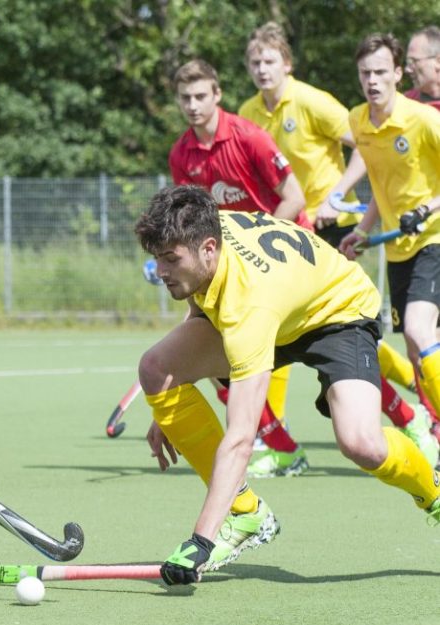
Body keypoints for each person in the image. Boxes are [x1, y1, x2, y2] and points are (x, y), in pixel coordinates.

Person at [136, 185, 440, 586]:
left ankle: (434, 494)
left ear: (208, 249)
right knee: (157, 369)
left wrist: (201, 541)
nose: (161, 271)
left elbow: (241, 439)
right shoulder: (205, 234)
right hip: (282, 307)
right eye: (157, 258)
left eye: (171, 260)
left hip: (337, 314)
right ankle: (245, 513)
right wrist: (172, 403)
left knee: (362, 444)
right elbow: (200, 300)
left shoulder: (249, 304)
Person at [238, 23, 438, 468]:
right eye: (254, 62)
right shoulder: (258, 112)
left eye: (270, 61)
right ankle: (414, 412)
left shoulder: (320, 103)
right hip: (306, 237)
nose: (262, 69)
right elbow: (377, 173)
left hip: (370, 233)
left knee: (382, 332)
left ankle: (417, 416)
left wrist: (339, 196)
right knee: (295, 328)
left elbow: (366, 156)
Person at [169, 58, 310, 479]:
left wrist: (254, 246)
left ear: (217, 94)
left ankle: (411, 418)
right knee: (211, 355)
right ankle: (281, 448)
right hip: (231, 269)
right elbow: (188, 224)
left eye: (201, 96)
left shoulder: (249, 137)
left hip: (284, 258)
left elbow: (295, 198)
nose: (193, 105)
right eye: (185, 98)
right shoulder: (181, 153)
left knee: (331, 349)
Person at [340, 33, 440, 449]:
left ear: (399, 73)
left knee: (418, 328)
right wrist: (363, 231)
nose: (372, 81)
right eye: (365, 73)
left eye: (381, 72)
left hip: (434, 238)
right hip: (399, 248)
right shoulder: (358, 121)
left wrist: (428, 209)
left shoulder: (423, 119)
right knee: (416, 349)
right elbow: (381, 188)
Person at [405, 26, 440, 110]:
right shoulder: (406, 103)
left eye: (414, 61)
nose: (407, 69)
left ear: (438, 61)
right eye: (408, 62)